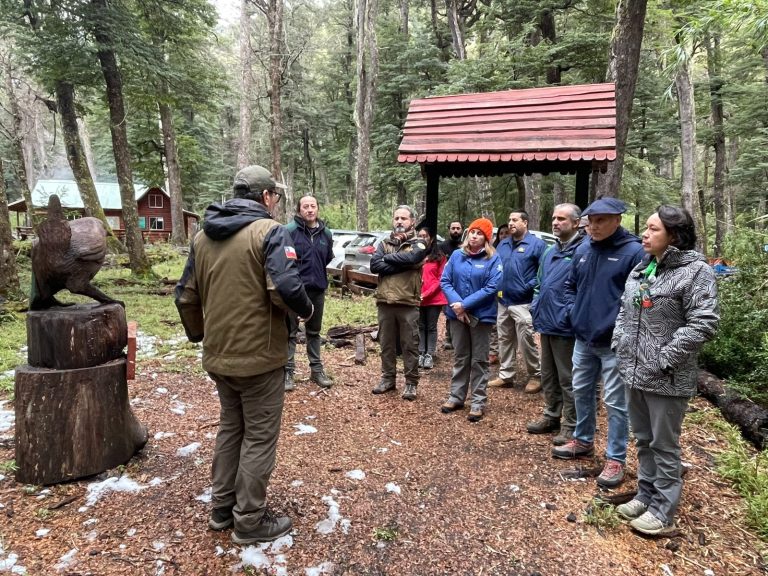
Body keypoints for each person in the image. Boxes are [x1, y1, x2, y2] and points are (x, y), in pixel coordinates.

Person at [175, 165, 314, 544]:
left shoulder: (203, 237)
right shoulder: (269, 232)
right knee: (258, 436)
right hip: (260, 357)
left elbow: (186, 295)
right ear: (266, 197)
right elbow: (283, 288)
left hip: (219, 356)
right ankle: (250, 520)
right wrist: (306, 310)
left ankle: (222, 509)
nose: (277, 203)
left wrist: (202, 335)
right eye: (276, 197)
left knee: (231, 428)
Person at [612, 206, 718, 534]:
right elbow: (625, 311)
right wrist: (619, 342)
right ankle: (646, 493)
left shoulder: (696, 271)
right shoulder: (643, 267)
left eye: (653, 229)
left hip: (667, 377)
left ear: (674, 235)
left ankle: (663, 508)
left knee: (664, 444)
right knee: (643, 439)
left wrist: (664, 359)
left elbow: (704, 322)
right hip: (633, 370)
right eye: (645, 227)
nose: (644, 234)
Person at [552, 197, 644, 490]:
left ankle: (615, 458)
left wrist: (618, 326)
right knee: (581, 391)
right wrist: (572, 312)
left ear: (617, 219)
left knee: (616, 402)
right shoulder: (584, 248)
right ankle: (583, 440)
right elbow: (570, 286)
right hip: (583, 336)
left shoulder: (633, 252)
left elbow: (640, 298)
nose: (594, 226)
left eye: (601, 220)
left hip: (614, 342)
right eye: (591, 221)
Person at [528, 204, 585, 445]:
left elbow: (584, 288)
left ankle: (570, 424)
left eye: (561, 219)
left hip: (566, 325)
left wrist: (570, 314)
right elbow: (540, 283)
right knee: (549, 375)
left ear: (576, 223)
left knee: (568, 378)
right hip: (546, 321)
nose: (555, 222)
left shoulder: (584, 251)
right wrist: (535, 305)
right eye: (553, 218)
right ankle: (551, 414)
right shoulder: (550, 252)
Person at [439, 218, 503, 422]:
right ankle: (456, 396)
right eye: (472, 232)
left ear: (486, 238)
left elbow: (493, 287)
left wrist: (465, 304)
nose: (474, 236)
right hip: (457, 316)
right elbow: (445, 280)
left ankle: (477, 401)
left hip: (481, 316)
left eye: (479, 233)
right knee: (461, 356)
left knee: (479, 360)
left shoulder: (493, 259)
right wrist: (457, 305)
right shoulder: (457, 255)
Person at [370, 206, 427, 401]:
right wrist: (402, 263)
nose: (399, 221)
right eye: (396, 218)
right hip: (385, 301)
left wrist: (388, 260)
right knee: (386, 344)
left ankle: (411, 383)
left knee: (410, 344)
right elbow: (374, 265)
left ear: (412, 221)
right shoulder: (385, 242)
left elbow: (413, 257)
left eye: (404, 218)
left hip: (408, 302)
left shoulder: (419, 242)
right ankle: (388, 379)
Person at [490, 210, 546, 392]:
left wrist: (527, 286)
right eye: (509, 219)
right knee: (504, 339)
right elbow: (495, 267)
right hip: (503, 300)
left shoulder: (537, 245)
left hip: (523, 301)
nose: (511, 223)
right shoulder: (503, 245)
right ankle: (506, 375)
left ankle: (536, 375)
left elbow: (543, 272)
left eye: (515, 220)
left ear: (525, 222)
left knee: (526, 339)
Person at [284, 195, 334, 391]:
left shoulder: (326, 234)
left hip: (317, 289)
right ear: (299, 210)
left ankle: (316, 370)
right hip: (295, 290)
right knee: (290, 331)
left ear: (318, 208)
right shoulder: (289, 231)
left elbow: (327, 258)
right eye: (305, 206)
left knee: (314, 331)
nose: (310, 210)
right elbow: (285, 260)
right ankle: (287, 371)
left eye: (313, 206)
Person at [417, 226, 447, 370]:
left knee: (431, 326)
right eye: (420, 235)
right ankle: (421, 352)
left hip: (434, 298)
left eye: (425, 235)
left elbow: (441, 279)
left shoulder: (439, 257)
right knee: (421, 326)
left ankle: (430, 354)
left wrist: (426, 294)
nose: (422, 238)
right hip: (417, 297)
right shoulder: (415, 254)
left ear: (431, 238)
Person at [488, 223, 510, 364]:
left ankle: (506, 354)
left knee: (506, 327)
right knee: (494, 323)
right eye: (501, 233)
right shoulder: (493, 251)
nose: (504, 236)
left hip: (510, 293)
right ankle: (493, 351)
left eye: (506, 233)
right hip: (494, 291)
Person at [440, 221, 464, 351]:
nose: (455, 230)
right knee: (449, 312)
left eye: (458, 228)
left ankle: (459, 339)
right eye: (453, 228)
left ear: (462, 230)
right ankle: (448, 337)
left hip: (462, 284)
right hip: (447, 285)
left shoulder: (466, 246)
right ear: (449, 229)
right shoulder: (442, 246)